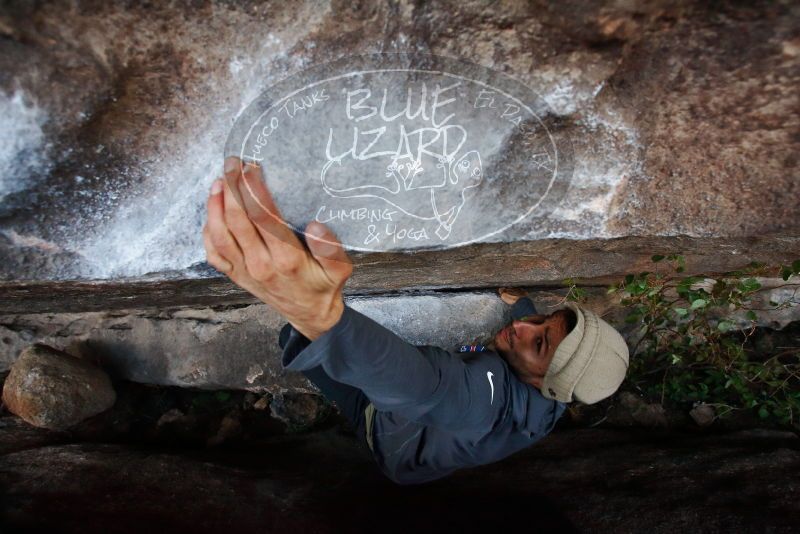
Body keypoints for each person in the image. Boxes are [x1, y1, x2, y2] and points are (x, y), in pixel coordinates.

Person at [203, 157, 630, 485]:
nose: (524, 328)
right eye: (544, 321)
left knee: (295, 337)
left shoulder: (485, 401)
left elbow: (430, 388)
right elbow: (533, 332)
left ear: (544, 385)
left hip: (393, 441)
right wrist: (522, 305)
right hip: (429, 443)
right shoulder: (555, 394)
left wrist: (325, 319)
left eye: (538, 343)